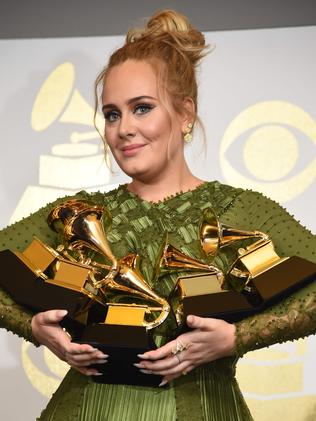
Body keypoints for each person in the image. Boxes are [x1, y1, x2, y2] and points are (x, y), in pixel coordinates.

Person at [1, 9, 316, 421]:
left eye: (142, 108)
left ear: (185, 113)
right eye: (112, 114)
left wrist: (236, 338)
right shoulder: (79, 214)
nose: (123, 129)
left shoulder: (242, 209)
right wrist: (37, 329)